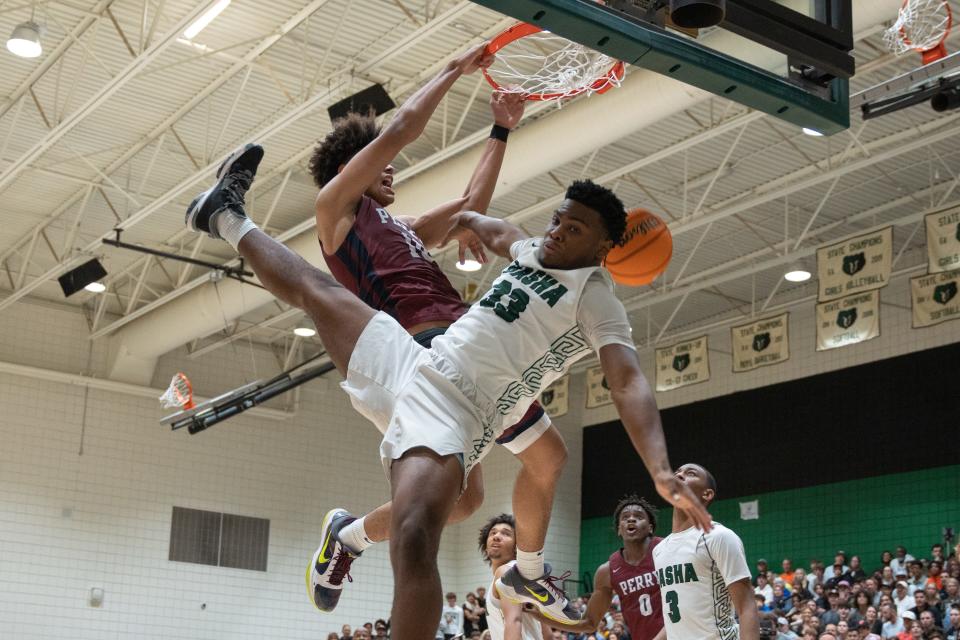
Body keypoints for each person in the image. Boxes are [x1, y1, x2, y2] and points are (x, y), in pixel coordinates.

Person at [183, 69, 708, 640]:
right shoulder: (344, 210)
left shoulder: (593, 296)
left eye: (572, 226)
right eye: (556, 219)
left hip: (467, 395)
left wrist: (496, 143)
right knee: (319, 290)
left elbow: (627, 381)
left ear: (604, 247)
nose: (555, 231)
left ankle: (478, 563)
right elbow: (459, 195)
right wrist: (471, 93)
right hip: (417, 349)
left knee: (494, 487)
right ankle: (225, 213)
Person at [300, 58, 570, 615]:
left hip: (466, 340)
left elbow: (474, 203)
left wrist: (501, 129)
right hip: (427, 356)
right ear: (352, 167)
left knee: (535, 464)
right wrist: (453, 68)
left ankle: (520, 570)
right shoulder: (334, 214)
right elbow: (400, 129)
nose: (393, 167)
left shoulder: (404, 229)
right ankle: (349, 538)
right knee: (469, 497)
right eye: (382, 162)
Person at [531, 495, 664, 640]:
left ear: (650, 528)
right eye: (625, 517)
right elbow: (589, 623)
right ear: (619, 529)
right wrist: (539, 615)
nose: (631, 519)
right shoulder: (607, 571)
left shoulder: (667, 550)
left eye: (638, 516)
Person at [651, 463, 759, 640]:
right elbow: (678, 617)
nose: (678, 475)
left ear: (707, 494)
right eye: (676, 472)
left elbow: (746, 606)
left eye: (690, 473)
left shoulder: (719, 536)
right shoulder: (659, 550)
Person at [478, 513, 551, 640]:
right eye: (493, 533)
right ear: (485, 547)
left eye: (506, 533)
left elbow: (514, 621)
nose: (496, 537)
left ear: (517, 547)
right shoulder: (524, 574)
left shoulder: (506, 572)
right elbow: (547, 634)